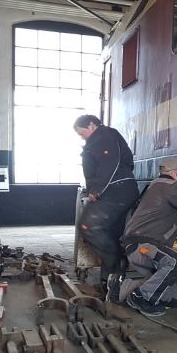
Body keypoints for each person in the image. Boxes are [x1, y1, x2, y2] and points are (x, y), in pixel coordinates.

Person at [106, 157, 177, 316]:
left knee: (174, 299)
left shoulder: (153, 186)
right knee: (176, 263)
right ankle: (140, 297)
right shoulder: (172, 186)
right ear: (176, 173)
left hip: (134, 246)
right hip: (144, 246)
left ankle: (119, 287)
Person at [73, 114, 138, 292]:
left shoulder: (104, 136)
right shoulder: (101, 138)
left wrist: (96, 190)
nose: (81, 136)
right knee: (110, 233)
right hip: (117, 190)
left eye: (82, 132)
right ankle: (110, 281)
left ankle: (118, 261)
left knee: (88, 226)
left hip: (117, 190)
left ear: (92, 125)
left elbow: (109, 164)